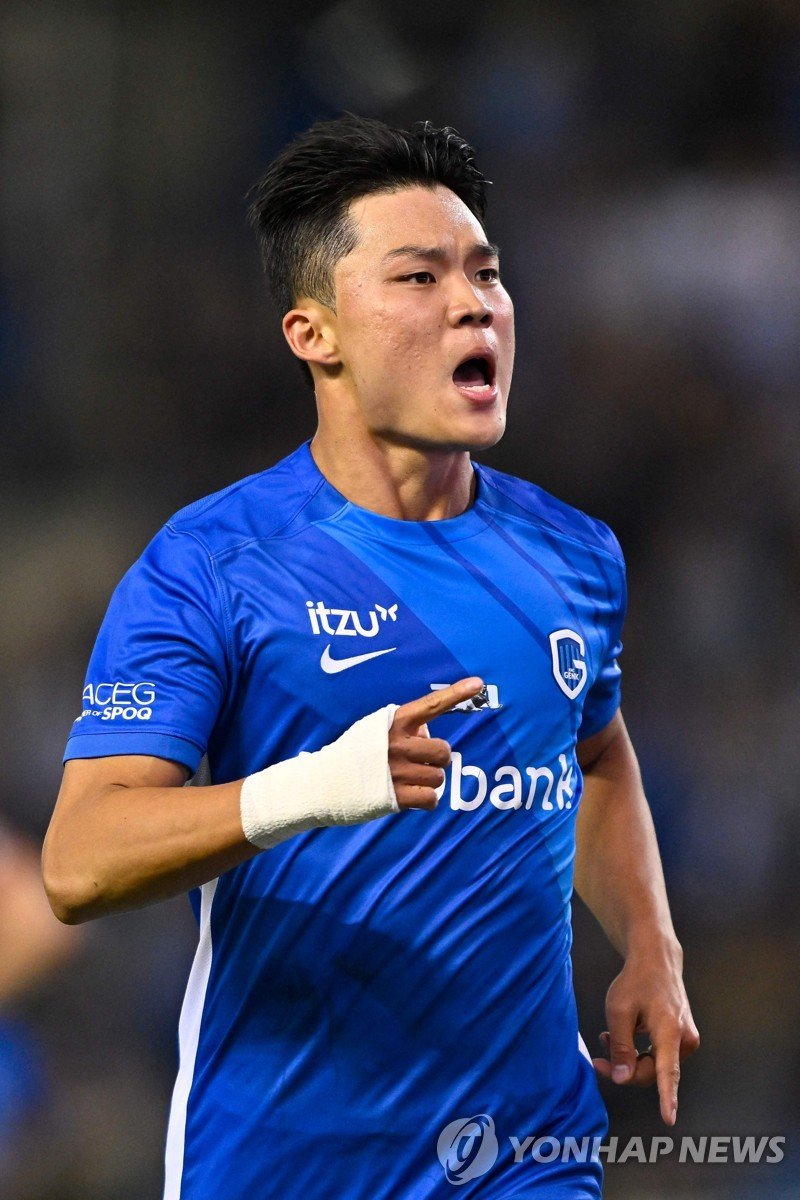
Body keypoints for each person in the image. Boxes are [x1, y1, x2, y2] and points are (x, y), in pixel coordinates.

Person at [43, 114, 699, 1199]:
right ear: (315, 333)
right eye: (418, 276)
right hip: (283, 1158)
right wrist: (314, 788)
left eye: (485, 272)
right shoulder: (213, 564)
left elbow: (593, 756)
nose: (472, 301)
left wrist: (648, 942)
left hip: (521, 1153)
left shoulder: (573, 555)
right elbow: (78, 860)